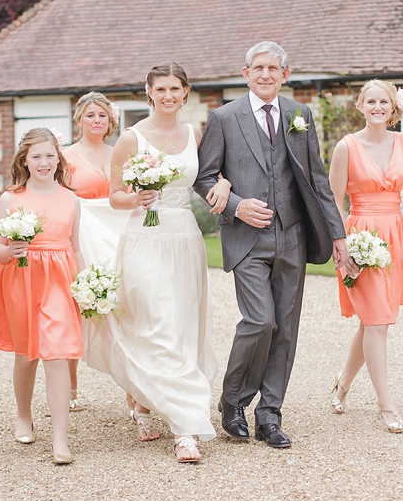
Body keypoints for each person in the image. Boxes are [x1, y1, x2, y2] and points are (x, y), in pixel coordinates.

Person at [194, 41, 355, 449]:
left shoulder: (299, 115)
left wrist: (338, 235)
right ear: (245, 73)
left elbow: (317, 181)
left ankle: (270, 414)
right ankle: (233, 402)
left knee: (285, 328)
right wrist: (235, 205)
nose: (265, 74)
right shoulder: (224, 117)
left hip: (293, 236)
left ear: (285, 75)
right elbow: (204, 177)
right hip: (247, 239)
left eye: (274, 68)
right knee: (259, 321)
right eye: (258, 67)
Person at [98, 62, 229, 464]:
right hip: (144, 236)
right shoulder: (131, 139)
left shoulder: (195, 134)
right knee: (153, 322)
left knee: (181, 325)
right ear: (149, 92)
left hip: (185, 237)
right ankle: (184, 429)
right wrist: (136, 198)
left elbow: (212, 176)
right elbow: (114, 195)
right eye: (162, 89)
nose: (169, 95)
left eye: (176, 88)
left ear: (185, 92)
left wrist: (223, 183)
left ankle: (149, 405)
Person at [0, 128, 84, 465]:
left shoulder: (71, 198)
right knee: (26, 354)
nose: (44, 162)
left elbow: (76, 247)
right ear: (24, 159)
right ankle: (24, 415)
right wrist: (10, 252)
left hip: (60, 281)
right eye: (36, 156)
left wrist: (84, 286)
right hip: (22, 278)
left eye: (50, 155)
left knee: (57, 355)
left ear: (58, 159)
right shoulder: (11, 198)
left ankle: (60, 439)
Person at [327, 79, 403, 433]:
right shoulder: (346, 147)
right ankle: (387, 408)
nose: (376, 107)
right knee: (376, 323)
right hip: (362, 240)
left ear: (393, 107)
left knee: (374, 321)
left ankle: (342, 384)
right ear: (360, 106)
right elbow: (333, 201)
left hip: (396, 236)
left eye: (383, 101)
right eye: (370, 101)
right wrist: (343, 245)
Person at [64, 92, 132, 413]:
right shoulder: (64, 157)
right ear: (79, 119)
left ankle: (135, 390)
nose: (96, 121)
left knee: (127, 308)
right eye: (90, 115)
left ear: (111, 121)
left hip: (121, 230)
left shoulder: (120, 153)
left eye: (102, 116)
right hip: (84, 232)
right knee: (79, 307)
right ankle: (69, 387)